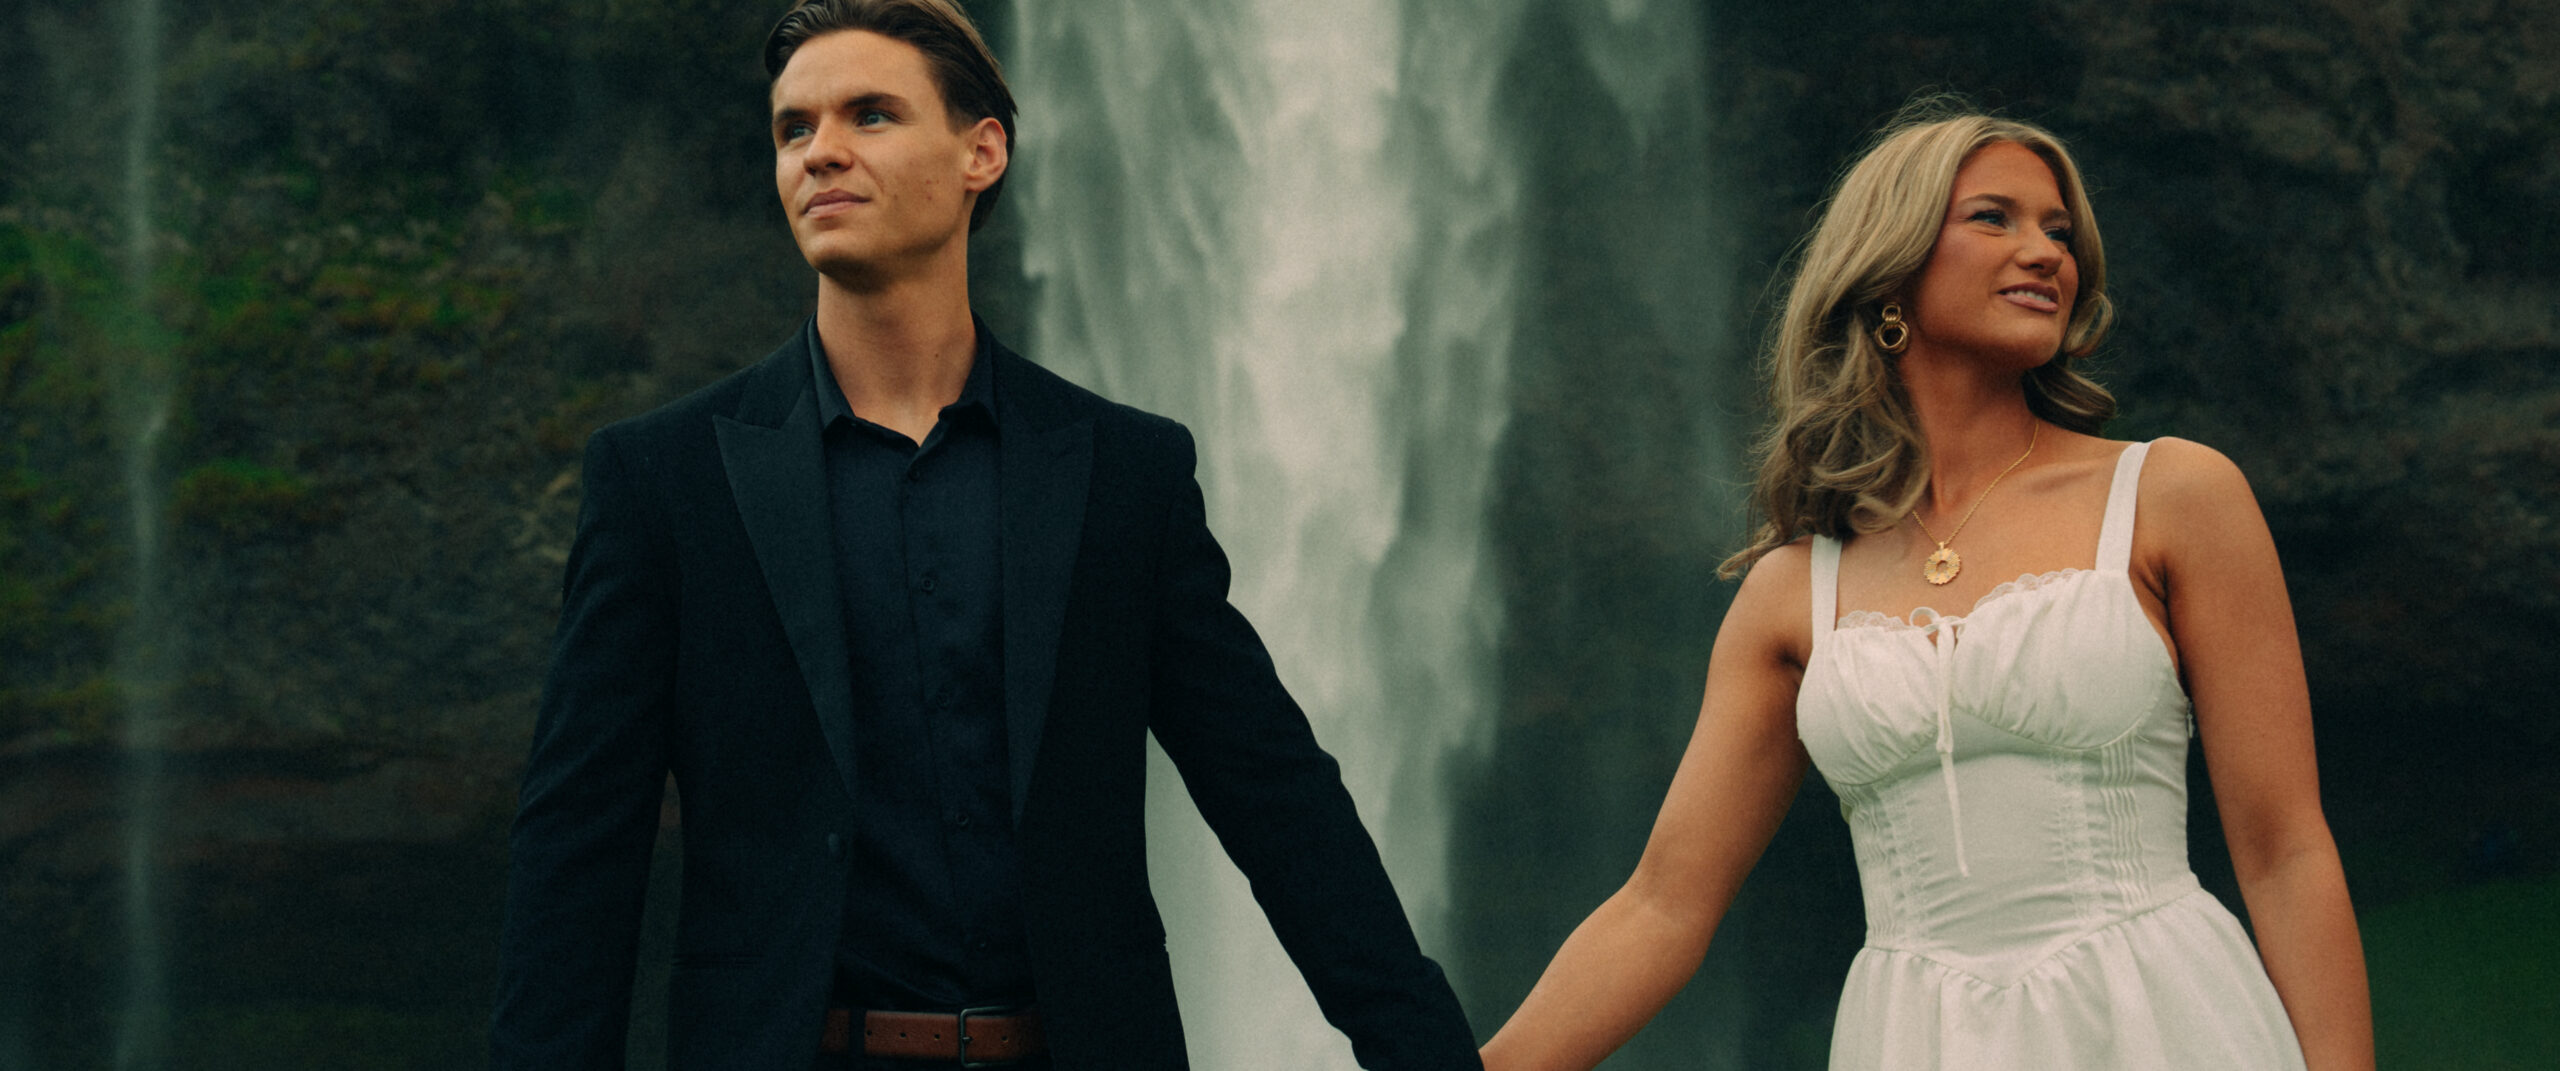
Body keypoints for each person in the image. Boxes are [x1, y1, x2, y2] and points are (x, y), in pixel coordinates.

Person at [488, 2, 1481, 1068]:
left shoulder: (1124, 474)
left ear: (983, 151)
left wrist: (1428, 1056)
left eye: (870, 115)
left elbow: (1277, 798)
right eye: (793, 128)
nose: (820, 151)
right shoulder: (664, 481)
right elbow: (579, 848)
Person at [1479, 107, 2374, 1070]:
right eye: (1994, 217)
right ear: (1891, 271)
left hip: (2164, 1020)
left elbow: (2285, 851)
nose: (2046, 252)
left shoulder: (2173, 494)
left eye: (2060, 231)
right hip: (1919, 1040)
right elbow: (1663, 903)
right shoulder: (1793, 588)